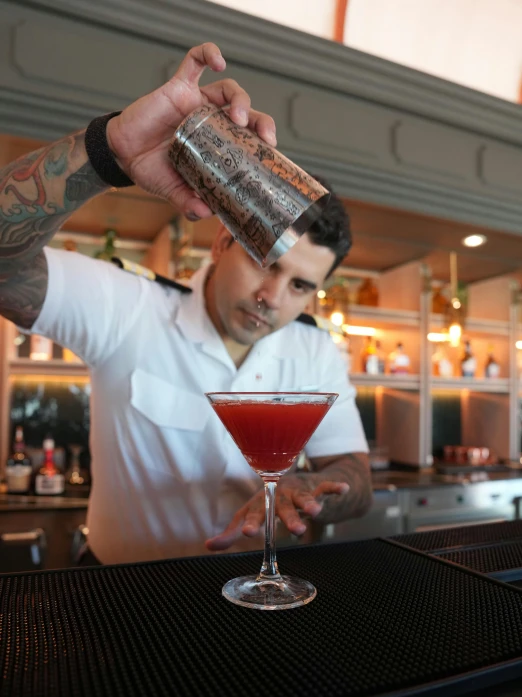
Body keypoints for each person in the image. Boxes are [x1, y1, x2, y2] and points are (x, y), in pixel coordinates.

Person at [0, 43, 371, 565]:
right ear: (222, 243)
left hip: (254, 602)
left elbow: (356, 476)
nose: (273, 297)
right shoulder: (127, 306)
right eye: (267, 263)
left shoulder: (315, 350)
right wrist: (107, 152)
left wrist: (313, 487)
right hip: (120, 598)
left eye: (301, 287)